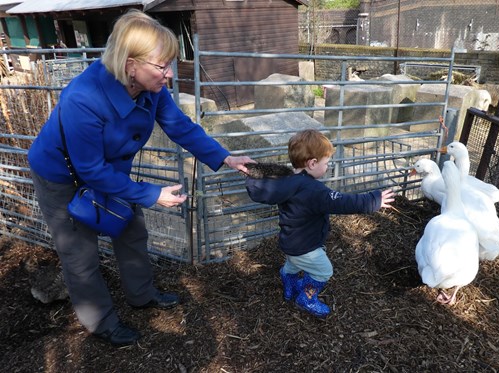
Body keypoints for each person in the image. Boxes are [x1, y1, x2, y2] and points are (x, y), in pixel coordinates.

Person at [27, 9, 254, 347]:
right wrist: (150, 194)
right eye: (162, 66)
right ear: (130, 64)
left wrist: (224, 156)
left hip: (109, 173)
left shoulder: (151, 88)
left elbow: (179, 126)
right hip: (63, 177)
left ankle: (141, 294)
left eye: (170, 64)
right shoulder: (83, 99)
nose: (170, 74)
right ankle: (100, 322)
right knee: (79, 253)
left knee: (132, 231)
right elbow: (89, 169)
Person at [245, 129, 395, 318]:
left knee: (293, 263)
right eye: (326, 163)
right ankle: (306, 299)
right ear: (312, 163)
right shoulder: (314, 190)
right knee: (324, 271)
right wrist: (373, 200)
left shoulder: (288, 181)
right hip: (305, 246)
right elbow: (342, 202)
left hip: (290, 241)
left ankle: (288, 280)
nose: (328, 166)